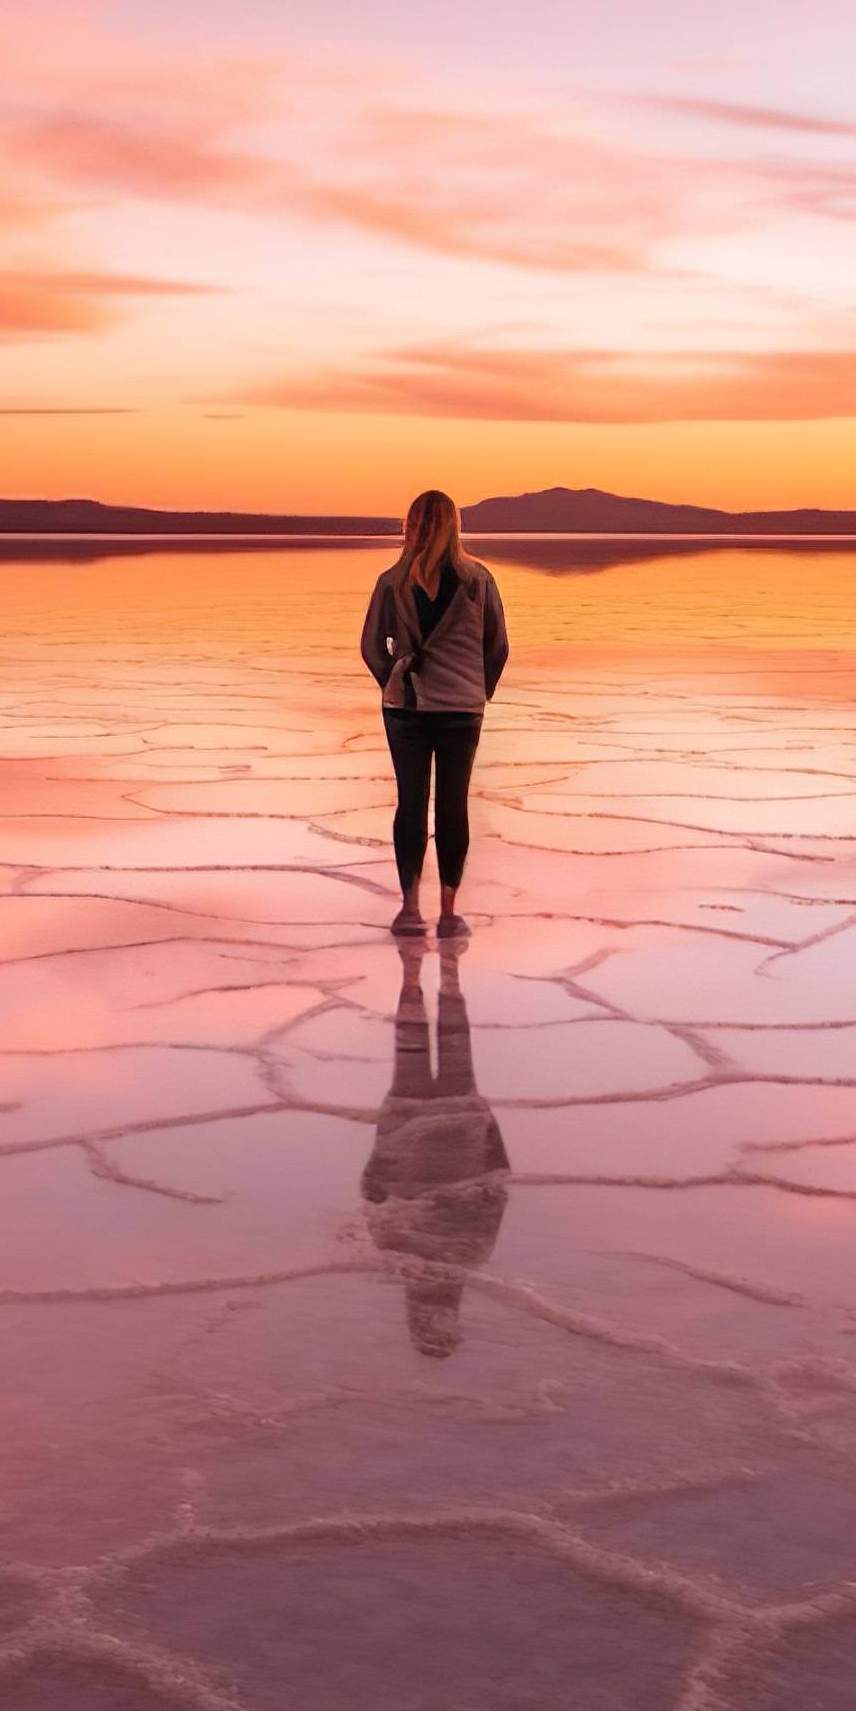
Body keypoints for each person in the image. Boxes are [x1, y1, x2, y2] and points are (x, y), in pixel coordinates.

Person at [357, 489, 508, 938]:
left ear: (411, 526)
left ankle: (408, 910)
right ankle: (448, 912)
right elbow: (497, 647)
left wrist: (394, 681)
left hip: (408, 708)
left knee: (411, 802)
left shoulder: (391, 581)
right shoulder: (478, 580)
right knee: (452, 806)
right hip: (462, 710)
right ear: (455, 526)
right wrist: (477, 690)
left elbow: (371, 647)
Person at [363, 937, 509, 1358]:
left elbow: (375, 1194)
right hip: (442, 1128)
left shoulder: (459, 1258)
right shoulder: (451, 1259)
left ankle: (436, 974)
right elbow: (374, 1191)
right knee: (435, 1044)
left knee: (444, 1043)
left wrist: (490, 1131)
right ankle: (429, 974)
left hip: (440, 1128)